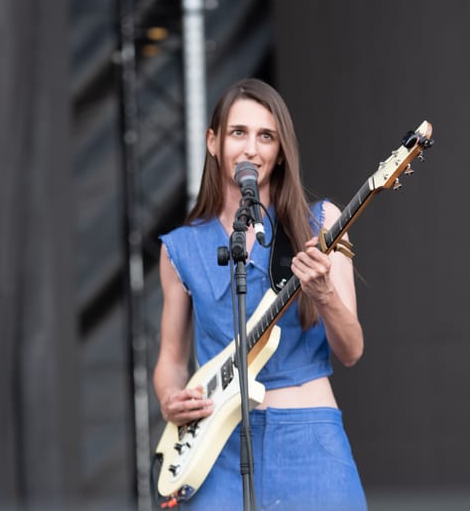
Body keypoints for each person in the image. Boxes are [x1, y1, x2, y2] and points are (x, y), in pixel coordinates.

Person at [153, 78, 367, 510]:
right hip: (218, 448)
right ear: (213, 142)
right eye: (238, 133)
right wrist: (169, 400)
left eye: (266, 136)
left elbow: (352, 350)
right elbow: (172, 359)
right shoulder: (179, 247)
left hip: (308, 438)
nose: (251, 148)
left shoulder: (319, 222)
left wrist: (323, 294)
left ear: (280, 150)